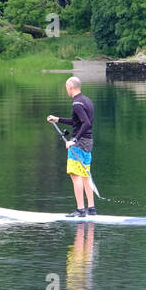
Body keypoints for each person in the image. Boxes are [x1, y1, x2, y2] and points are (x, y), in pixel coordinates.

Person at [47, 76, 96, 218]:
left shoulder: (77, 104)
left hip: (79, 144)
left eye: (66, 88)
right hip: (88, 142)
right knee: (86, 175)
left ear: (70, 87)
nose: (66, 90)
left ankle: (81, 210)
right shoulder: (87, 101)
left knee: (76, 176)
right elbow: (78, 123)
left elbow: (86, 123)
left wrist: (74, 140)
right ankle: (91, 208)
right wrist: (58, 119)